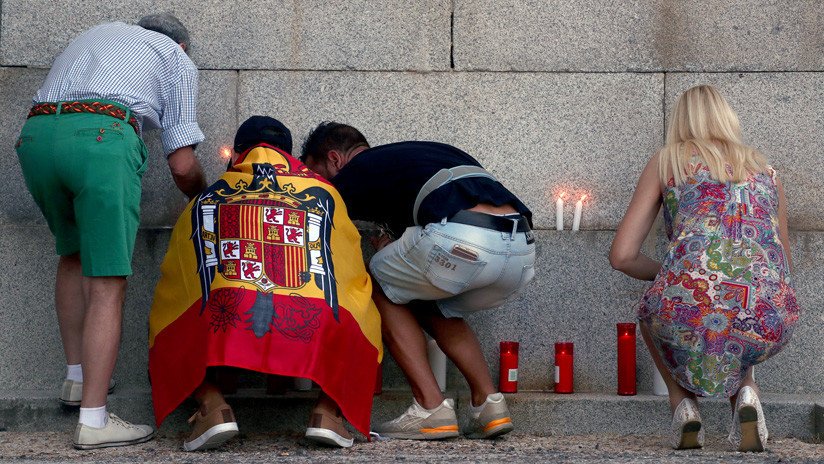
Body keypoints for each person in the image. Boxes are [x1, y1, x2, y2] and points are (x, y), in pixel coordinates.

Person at [14, 14, 206, 449]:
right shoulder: (173, 58)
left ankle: (76, 379)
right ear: (181, 46)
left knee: (74, 253)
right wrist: (203, 194)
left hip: (37, 137)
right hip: (100, 137)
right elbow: (181, 163)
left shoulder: (94, 34)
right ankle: (94, 419)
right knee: (107, 282)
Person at [148, 116, 382, 451]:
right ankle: (327, 412)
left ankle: (213, 405)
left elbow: (180, 272)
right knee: (361, 310)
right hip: (313, 315)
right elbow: (348, 269)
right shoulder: (326, 195)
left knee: (165, 316)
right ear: (289, 156)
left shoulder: (207, 197)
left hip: (224, 317)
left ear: (237, 154)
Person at [300, 123, 535, 440]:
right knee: (424, 297)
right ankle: (488, 405)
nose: (324, 184)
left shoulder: (356, 171)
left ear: (334, 159)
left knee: (377, 286)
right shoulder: (413, 159)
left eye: (319, 175)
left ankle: (431, 406)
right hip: (520, 249)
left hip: (465, 240)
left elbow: (315, 219)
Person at [609, 84, 800, 452]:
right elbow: (782, 263)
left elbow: (622, 256)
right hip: (771, 312)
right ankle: (746, 393)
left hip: (691, 302)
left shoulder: (668, 162)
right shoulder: (766, 170)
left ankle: (683, 406)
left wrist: (667, 276)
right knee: (738, 315)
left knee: (653, 311)